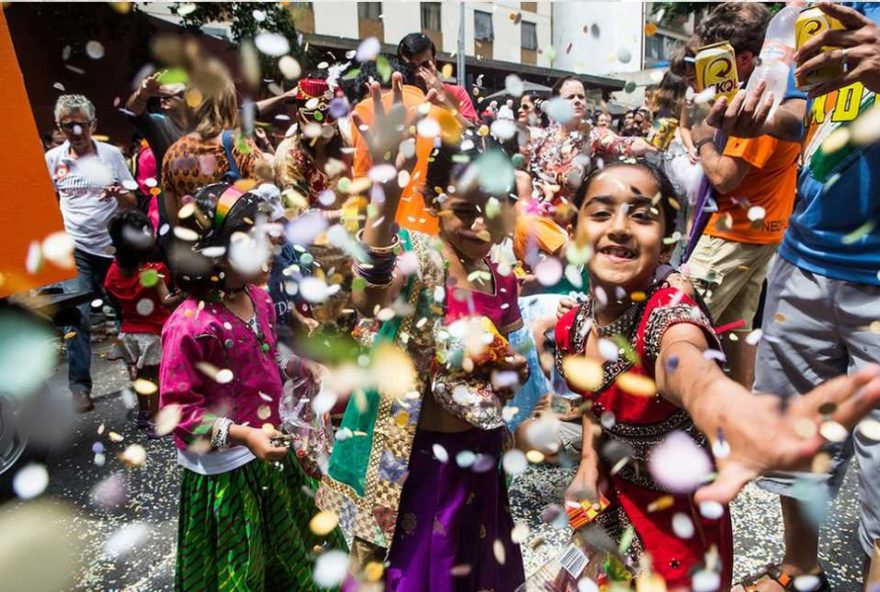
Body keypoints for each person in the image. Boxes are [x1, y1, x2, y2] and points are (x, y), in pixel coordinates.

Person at [526, 159, 880, 589]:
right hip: (609, 507)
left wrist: (726, 406)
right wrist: (587, 464)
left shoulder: (668, 316)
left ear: (669, 241)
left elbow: (685, 365)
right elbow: (592, 399)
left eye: (641, 215)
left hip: (675, 524)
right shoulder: (574, 325)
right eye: (600, 213)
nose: (619, 227)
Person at [317, 74, 528, 591]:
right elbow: (369, 298)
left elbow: (511, 352)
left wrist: (514, 372)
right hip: (414, 464)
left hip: (480, 458)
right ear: (434, 201)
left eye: (494, 209)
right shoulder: (419, 258)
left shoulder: (501, 274)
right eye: (464, 209)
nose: (480, 224)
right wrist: (385, 198)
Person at [704, 2, 880, 589]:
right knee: (795, 436)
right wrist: (758, 121)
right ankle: (799, 572)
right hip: (803, 257)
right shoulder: (818, 15)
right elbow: (810, 117)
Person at [159, 182, 345, 591]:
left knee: (296, 553)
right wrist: (243, 435)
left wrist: (300, 365)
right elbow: (179, 411)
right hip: (227, 475)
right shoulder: (191, 326)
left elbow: (262, 357)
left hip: (271, 450)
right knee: (242, 566)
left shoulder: (258, 298)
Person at [686, 2, 802, 389]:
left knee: (677, 325)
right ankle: (735, 418)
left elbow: (725, 176)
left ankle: (658, 423)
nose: (699, 72)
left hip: (732, 236)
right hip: (761, 233)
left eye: (708, 61)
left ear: (744, 59)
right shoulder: (777, 88)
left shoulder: (760, 97)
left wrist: (702, 137)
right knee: (736, 331)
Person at [45, 94, 137, 413]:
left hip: (111, 248)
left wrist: (119, 195)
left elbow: (132, 203)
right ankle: (80, 387)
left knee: (127, 312)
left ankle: (140, 375)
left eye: (81, 124)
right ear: (59, 127)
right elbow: (48, 202)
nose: (75, 132)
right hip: (76, 249)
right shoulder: (53, 159)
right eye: (67, 125)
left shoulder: (111, 155)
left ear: (93, 125)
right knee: (76, 318)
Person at [161, 59, 270, 227]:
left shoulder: (173, 153)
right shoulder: (238, 144)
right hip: (236, 248)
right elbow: (267, 200)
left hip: (193, 249)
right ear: (228, 101)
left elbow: (174, 218)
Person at [104, 209, 178, 434]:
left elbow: (111, 293)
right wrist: (183, 295)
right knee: (154, 378)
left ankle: (143, 412)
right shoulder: (152, 274)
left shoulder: (113, 273)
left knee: (139, 375)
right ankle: (157, 420)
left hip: (129, 332)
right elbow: (167, 301)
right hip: (153, 333)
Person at [397, 32, 478, 124]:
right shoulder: (398, 97)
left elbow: (473, 132)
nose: (418, 73)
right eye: (412, 66)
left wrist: (444, 101)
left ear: (434, 62)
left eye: (425, 65)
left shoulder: (456, 93)